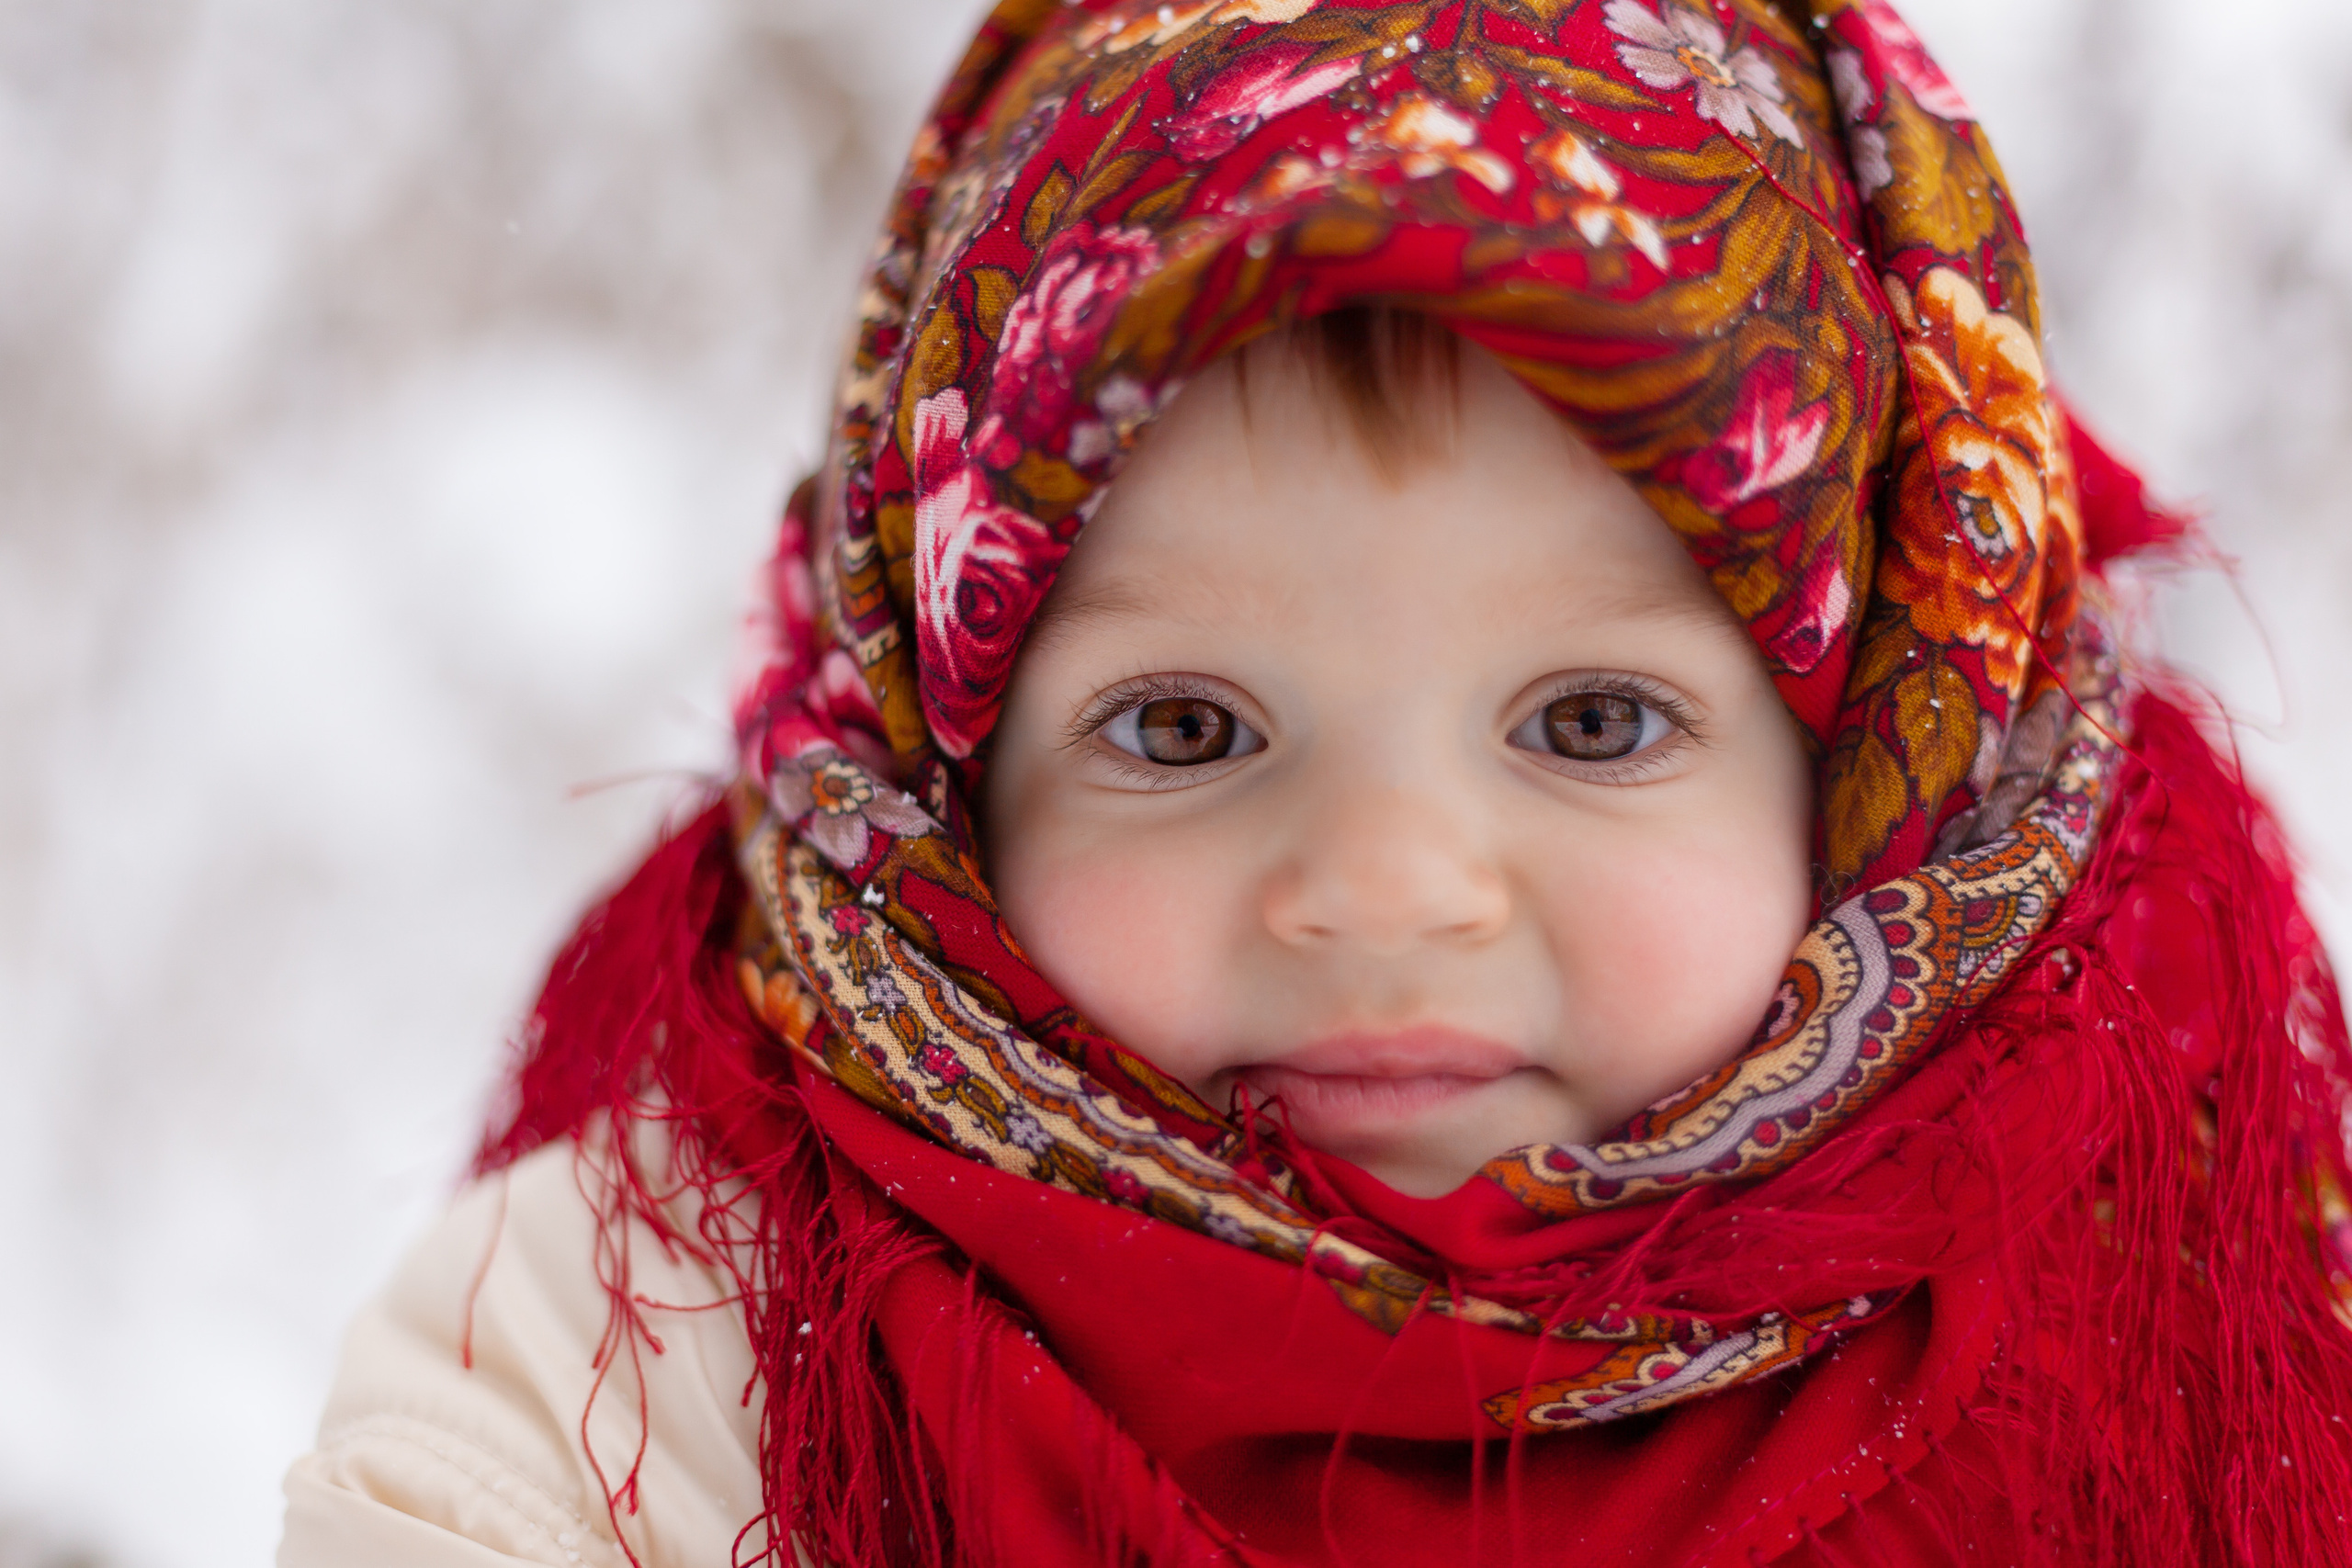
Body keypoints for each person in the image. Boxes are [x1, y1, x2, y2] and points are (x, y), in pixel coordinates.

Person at [278, 1, 2352, 1563]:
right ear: (944, 779)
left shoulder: (2170, 1286)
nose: (1384, 887)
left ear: (1873, 769)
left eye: (1590, 723)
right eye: (1183, 729)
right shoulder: (654, 1340)